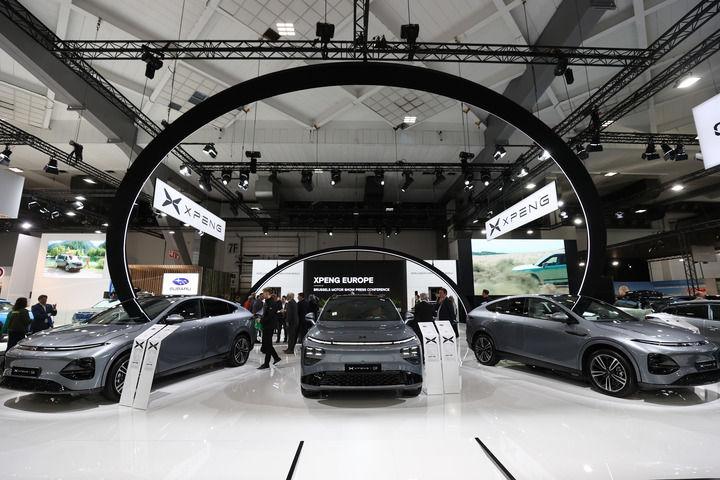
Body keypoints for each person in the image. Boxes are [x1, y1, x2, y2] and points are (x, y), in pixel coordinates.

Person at [258, 288, 282, 369]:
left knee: (268, 345)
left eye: (264, 293)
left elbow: (269, 316)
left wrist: (261, 320)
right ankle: (276, 358)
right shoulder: (267, 302)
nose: (263, 294)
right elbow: (266, 314)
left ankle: (266, 363)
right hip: (266, 326)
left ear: (268, 293)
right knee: (267, 344)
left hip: (269, 326)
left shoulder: (272, 303)